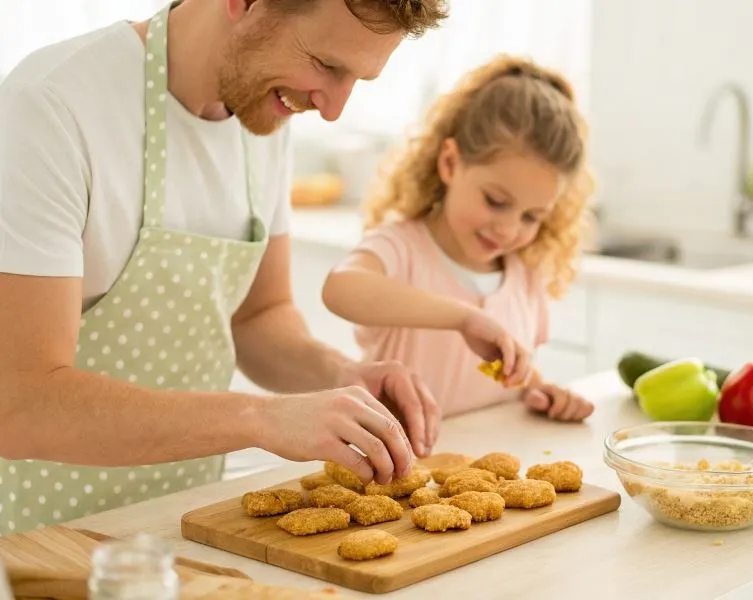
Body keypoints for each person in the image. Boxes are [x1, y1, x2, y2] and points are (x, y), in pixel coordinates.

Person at [0, 0, 448, 535]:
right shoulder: (51, 108)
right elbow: (20, 403)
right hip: (38, 539)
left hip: (183, 523)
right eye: (328, 66)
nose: (332, 109)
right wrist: (259, 418)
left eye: (358, 79)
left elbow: (258, 316)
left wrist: (340, 377)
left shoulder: (264, 110)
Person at [321, 55, 596, 422]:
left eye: (532, 216)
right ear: (450, 163)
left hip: (490, 472)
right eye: (496, 201)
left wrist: (538, 391)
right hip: (401, 470)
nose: (509, 230)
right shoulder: (401, 248)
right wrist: (464, 318)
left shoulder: (524, 274)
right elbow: (341, 289)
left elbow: (508, 378)